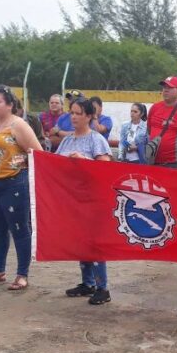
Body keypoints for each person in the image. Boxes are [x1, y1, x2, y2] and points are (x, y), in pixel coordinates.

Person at [0, 85, 42, 290]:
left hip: (13, 183)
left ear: (10, 105)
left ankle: (22, 274)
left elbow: (37, 153)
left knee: (20, 229)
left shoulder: (18, 125)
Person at [59, 97, 114, 305]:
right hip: (74, 200)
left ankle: (102, 287)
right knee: (81, 240)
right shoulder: (67, 140)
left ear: (89, 116)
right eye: (71, 112)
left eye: (78, 113)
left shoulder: (96, 139)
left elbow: (105, 169)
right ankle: (87, 282)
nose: (73, 117)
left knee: (96, 243)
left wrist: (85, 161)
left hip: (93, 200)